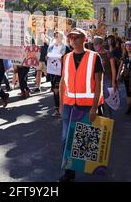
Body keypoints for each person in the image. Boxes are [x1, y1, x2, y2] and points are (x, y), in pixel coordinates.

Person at [58, 28, 104, 182]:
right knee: (66, 139)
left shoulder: (94, 57)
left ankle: (85, 167)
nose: (73, 40)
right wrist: (60, 104)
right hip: (69, 104)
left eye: (76, 37)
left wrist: (94, 107)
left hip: (86, 106)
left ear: (84, 39)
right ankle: (69, 172)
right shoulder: (66, 57)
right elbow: (62, 82)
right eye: (71, 38)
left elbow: (99, 84)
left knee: (84, 141)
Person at [47, 31, 70, 117]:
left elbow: (69, 59)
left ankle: (61, 109)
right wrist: (47, 58)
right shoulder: (51, 47)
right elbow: (47, 58)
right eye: (55, 36)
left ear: (62, 37)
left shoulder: (66, 48)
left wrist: (63, 60)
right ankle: (58, 109)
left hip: (61, 73)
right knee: (55, 91)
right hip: (53, 72)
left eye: (58, 36)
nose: (57, 38)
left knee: (59, 91)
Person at [93, 36, 117, 117]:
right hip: (96, 79)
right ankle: (100, 117)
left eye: (97, 44)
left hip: (107, 78)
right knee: (97, 99)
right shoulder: (94, 55)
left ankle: (109, 118)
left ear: (101, 44)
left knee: (107, 100)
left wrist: (113, 82)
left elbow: (113, 69)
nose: (95, 46)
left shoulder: (108, 53)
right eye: (94, 44)